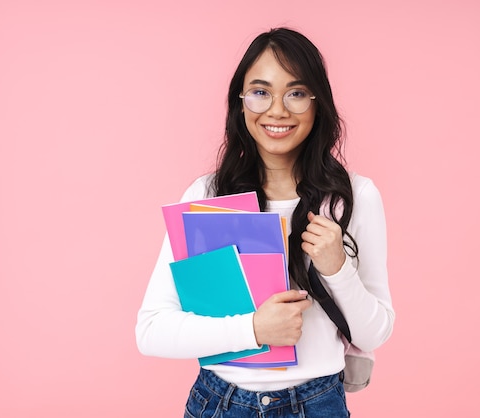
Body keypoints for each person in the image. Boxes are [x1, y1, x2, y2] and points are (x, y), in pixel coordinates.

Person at [136, 27, 394, 417]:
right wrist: (254, 329)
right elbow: (152, 330)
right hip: (219, 403)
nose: (277, 110)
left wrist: (337, 268)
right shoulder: (207, 196)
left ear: (317, 103)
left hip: (317, 404)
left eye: (295, 93)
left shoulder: (353, 197)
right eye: (260, 92)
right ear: (241, 103)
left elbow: (376, 333)